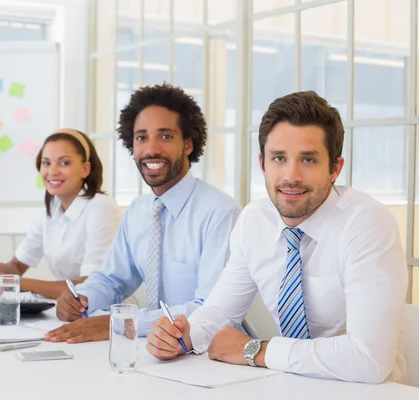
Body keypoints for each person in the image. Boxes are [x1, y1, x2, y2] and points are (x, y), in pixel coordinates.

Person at [146, 91, 408, 384]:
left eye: (308, 160)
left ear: (335, 168)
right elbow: (220, 310)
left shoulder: (366, 223)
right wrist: (182, 337)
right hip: (287, 384)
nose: (291, 176)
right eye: (279, 158)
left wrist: (254, 350)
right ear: (263, 164)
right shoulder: (254, 221)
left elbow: (369, 360)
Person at [45, 83, 240, 343]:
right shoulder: (137, 211)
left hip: (208, 354)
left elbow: (211, 310)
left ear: (188, 145)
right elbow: (113, 280)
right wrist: (81, 298)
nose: (151, 149)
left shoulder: (220, 213)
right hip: (151, 351)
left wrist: (121, 324)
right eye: (141, 137)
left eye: (166, 136)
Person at [0, 129, 122, 299]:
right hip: (64, 310)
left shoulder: (101, 207)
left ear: (85, 169)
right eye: (46, 163)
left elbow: (90, 286)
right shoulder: (53, 208)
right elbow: (16, 267)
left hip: (103, 313)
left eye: (64, 163)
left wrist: (10, 282)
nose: (52, 171)